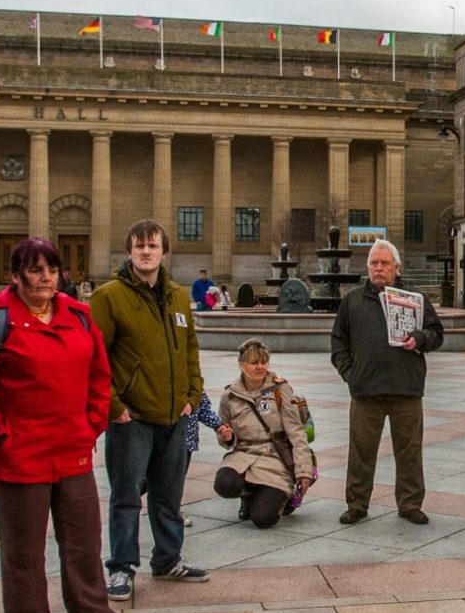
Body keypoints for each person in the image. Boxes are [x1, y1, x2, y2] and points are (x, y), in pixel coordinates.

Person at [0, 239, 123, 613]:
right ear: (15, 275)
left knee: (83, 538)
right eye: (36, 270)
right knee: (23, 545)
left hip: (72, 446)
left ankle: (90, 610)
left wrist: (92, 422)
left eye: (52, 270)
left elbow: (99, 375)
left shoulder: (78, 316)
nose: (46, 278)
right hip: (21, 451)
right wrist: (1, 434)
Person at [90, 220, 209, 593]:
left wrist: (192, 395)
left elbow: (189, 348)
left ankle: (168, 560)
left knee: (168, 495)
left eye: (153, 246)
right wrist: (114, 407)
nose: (146, 251)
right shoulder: (109, 297)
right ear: (129, 251)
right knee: (126, 496)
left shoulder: (176, 295)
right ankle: (122, 567)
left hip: (174, 415)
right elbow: (93, 358)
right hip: (133, 419)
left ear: (163, 251)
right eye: (139, 245)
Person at [327, 240, 429, 524]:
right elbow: (338, 344)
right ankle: (357, 503)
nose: (378, 268)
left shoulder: (415, 299)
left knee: (409, 451)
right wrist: (351, 374)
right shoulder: (353, 301)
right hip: (365, 391)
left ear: (396, 267)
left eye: (384, 263)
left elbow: (436, 334)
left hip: (406, 388)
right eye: (374, 263)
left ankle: (410, 503)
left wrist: (420, 339)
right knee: (360, 450)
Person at [212, 341, 316, 528]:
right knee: (224, 483)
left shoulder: (279, 389)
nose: (259, 367)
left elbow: (296, 432)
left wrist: (303, 471)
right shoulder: (229, 395)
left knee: (263, 519)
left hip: (273, 458)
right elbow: (225, 436)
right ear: (241, 364)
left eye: (263, 362)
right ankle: (247, 495)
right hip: (243, 455)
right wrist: (226, 437)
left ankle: (281, 496)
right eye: (253, 363)